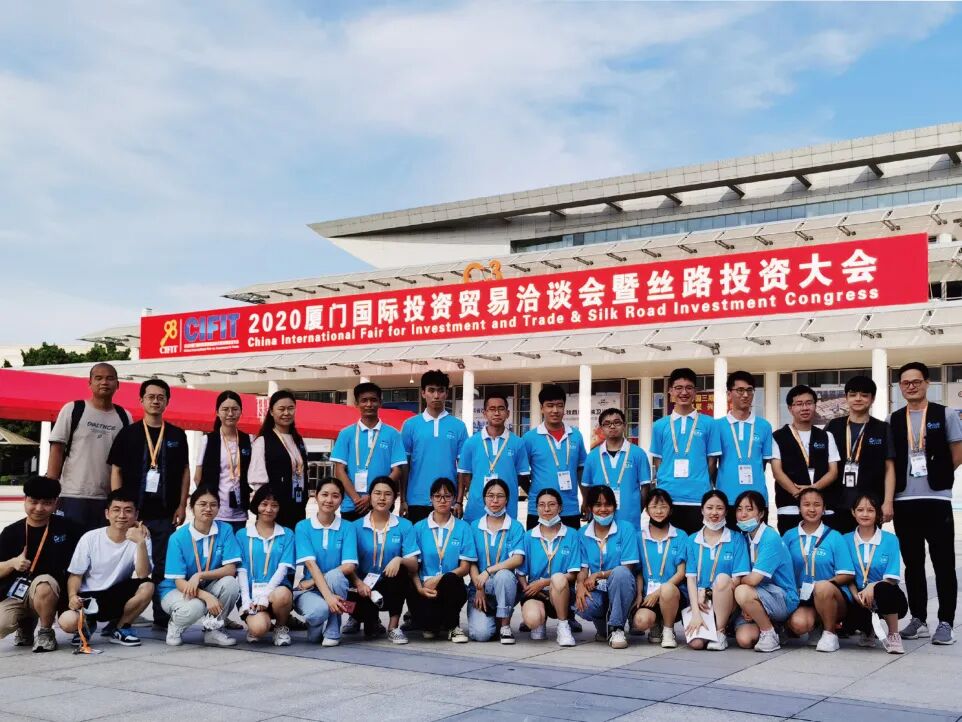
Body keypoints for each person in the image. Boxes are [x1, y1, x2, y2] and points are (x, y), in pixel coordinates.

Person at [108, 379, 190, 629]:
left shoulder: (176, 435)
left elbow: (185, 471)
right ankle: (117, 614)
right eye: (151, 396)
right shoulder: (128, 433)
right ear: (141, 400)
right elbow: (116, 469)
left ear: (167, 401)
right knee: (124, 565)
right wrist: (119, 507)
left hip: (165, 514)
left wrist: (182, 505)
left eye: (161, 397)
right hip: (133, 515)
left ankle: (162, 617)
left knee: (163, 566)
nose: (156, 401)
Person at [890, 362, 961, 645]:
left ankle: (946, 622)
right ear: (900, 387)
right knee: (913, 564)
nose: (911, 386)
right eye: (906, 383)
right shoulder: (894, 419)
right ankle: (918, 618)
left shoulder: (945, 414)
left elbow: (957, 451)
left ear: (927, 383)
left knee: (943, 563)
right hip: (904, 500)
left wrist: (940, 474)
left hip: (936, 498)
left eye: (916, 381)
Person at [58, 489, 153, 647]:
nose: (122, 515)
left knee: (148, 586)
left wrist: (141, 543)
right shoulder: (90, 538)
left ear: (136, 515)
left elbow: (143, 574)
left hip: (115, 593)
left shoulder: (140, 538)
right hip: (88, 597)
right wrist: (72, 595)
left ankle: (121, 628)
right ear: (107, 513)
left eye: (128, 510)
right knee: (67, 622)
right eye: (116, 510)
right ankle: (87, 625)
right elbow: (76, 574)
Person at [47, 363, 130, 532]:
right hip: (73, 495)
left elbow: (126, 459)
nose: (104, 382)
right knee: (70, 543)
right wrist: (50, 490)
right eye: (98, 378)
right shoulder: (73, 409)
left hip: (108, 499)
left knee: (102, 546)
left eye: (110, 378)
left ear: (118, 384)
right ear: (89, 383)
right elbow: (57, 449)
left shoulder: (124, 416)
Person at [0, 476, 78, 652]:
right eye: (33, 502)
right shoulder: (11, 532)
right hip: (18, 593)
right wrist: (12, 563)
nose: (39, 508)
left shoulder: (69, 528)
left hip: (53, 592)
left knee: (44, 583)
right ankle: (25, 625)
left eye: (47, 503)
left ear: (56, 503)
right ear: (25, 500)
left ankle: (45, 632)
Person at [159, 485, 242, 647]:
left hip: (206, 584)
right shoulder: (178, 537)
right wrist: (206, 596)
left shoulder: (225, 530)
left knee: (231, 584)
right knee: (196, 606)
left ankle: (213, 630)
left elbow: (230, 569)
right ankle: (175, 627)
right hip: (176, 590)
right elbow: (179, 582)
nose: (208, 509)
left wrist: (200, 575)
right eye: (202, 504)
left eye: (213, 505)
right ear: (192, 507)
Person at [347, 476, 419, 644]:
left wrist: (399, 559)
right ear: (369, 496)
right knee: (369, 632)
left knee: (402, 571)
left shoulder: (404, 525)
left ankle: (393, 627)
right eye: (377, 493)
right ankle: (363, 619)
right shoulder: (354, 527)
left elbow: (414, 565)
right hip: (362, 586)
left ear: (394, 498)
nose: (382, 498)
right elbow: (348, 564)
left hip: (389, 584)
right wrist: (359, 583)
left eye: (387, 494)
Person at [782, 488, 855, 652]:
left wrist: (823, 586)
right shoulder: (789, 536)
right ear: (799, 508)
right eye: (806, 504)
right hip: (802, 597)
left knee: (822, 588)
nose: (812, 509)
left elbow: (847, 573)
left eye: (817, 504)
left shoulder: (835, 536)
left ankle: (830, 633)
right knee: (799, 624)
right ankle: (815, 627)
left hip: (831, 596)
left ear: (824, 509)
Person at [650, 368, 721, 534]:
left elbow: (712, 462)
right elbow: (658, 461)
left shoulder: (709, 423)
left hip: (698, 497)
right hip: (668, 498)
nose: (684, 392)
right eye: (678, 388)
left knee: (696, 545)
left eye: (689, 388)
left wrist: (700, 481)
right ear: (670, 391)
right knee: (670, 546)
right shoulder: (659, 425)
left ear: (695, 391)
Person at [824, 376, 895, 534]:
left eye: (864, 395)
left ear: (872, 399)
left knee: (867, 547)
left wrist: (888, 502)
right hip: (835, 502)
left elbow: (889, 468)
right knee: (837, 546)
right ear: (846, 397)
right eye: (853, 394)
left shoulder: (882, 428)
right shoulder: (833, 426)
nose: (858, 399)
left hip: (869, 505)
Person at [409, 477, 477, 643]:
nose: (442, 500)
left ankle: (453, 627)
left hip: (450, 586)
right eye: (437, 496)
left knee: (452, 580)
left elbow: (465, 567)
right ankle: (432, 624)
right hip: (424, 588)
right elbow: (413, 567)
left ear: (454, 499)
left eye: (447, 496)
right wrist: (420, 588)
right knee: (429, 630)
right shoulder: (418, 528)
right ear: (430, 499)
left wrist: (439, 578)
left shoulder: (463, 527)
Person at [732, 490, 799, 652]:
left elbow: (753, 580)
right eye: (739, 509)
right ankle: (775, 627)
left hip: (782, 597)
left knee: (741, 591)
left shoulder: (770, 537)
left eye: (749, 509)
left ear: (761, 513)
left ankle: (769, 634)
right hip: (758, 595)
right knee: (745, 639)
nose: (743, 514)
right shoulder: (744, 537)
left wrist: (739, 584)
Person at [294, 478, 358, 646]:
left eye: (335, 496)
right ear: (316, 496)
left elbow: (349, 566)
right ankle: (316, 624)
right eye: (325, 495)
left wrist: (315, 582)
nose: (329, 500)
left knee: (336, 576)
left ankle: (333, 630)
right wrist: (327, 597)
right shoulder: (302, 527)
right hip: (308, 592)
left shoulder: (348, 527)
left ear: (341, 500)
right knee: (318, 613)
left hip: (334, 586)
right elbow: (310, 564)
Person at [575, 486, 639, 649]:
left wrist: (598, 574)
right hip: (598, 589)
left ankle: (617, 627)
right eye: (598, 505)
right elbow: (583, 568)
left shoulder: (626, 528)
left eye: (608, 504)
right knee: (583, 604)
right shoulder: (582, 533)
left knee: (620, 573)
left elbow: (628, 567)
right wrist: (580, 585)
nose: (603, 509)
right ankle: (604, 627)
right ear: (590, 508)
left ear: (614, 507)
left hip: (622, 586)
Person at [332, 382, 407, 523]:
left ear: (380, 403)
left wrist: (373, 496)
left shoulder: (393, 434)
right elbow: (339, 470)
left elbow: (397, 470)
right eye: (364, 400)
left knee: (382, 538)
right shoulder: (346, 434)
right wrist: (356, 498)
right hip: (352, 505)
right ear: (356, 403)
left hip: (382, 503)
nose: (369, 404)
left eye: (373, 400)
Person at [771, 385, 840, 534]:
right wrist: (800, 494)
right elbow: (777, 472)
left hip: (822, 508)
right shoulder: (777, 436)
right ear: (790, 408)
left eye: (809, 403)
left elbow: (833, 471)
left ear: (815, 406)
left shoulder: (826, 436)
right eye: (799, 404)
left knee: (823, 547)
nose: (805, 408)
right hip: (789, 507)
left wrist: (813, 489)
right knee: (792, 547)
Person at [684, 490, 748, 651]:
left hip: (727, 599)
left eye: (719, 508)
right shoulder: (692, 540)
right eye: (709, 507)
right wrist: (696, 613)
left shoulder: (737, 539)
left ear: (726, 511)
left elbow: (737, 579)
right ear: (702, 510)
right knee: (696, 644)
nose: (714, 512)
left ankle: (720, 632)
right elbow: (691, 579)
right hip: (701, 602)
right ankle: (709, 624)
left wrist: (708, 592)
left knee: (722, 578)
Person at [518, 488, 582, 647]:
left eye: (552, 504)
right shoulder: (529, 536)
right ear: (536, 508)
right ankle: (540, 621)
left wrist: (544, 583)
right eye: (542, 505)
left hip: (561, 591)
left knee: (558, 578)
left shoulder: (572, 534)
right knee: (533, 621)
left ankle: (563, 626)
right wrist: (528, 589)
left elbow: (573, 574)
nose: (546, 509)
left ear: (560, 508)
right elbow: (521, 572)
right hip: (535, 592)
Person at [401, 371, 467, 523]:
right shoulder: (410, 425)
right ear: (423, 393)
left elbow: (463, 469)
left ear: (446, 393)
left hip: (448, 500)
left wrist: (459, 501)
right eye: (431, 390)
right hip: (416, 500)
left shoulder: (459, 426)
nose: (436, 395)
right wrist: (403, 499)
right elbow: (404, 466)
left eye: (440, 390)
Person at [845, 493, 908, 654]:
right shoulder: (845, 540)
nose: (865, 514)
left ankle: (893, 634)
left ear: (877, 513)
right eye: (860, 510)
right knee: (845, 602)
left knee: (885, 590)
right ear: (853, 512)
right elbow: (845, 574)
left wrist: (872, 586)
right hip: (857, 594)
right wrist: (856, 595)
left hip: (884, 592)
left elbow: (892, 578)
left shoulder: (890, 540)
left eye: (870, 510)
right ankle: (868, 631)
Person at [467, 479, 526, 643]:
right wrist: (479, 587)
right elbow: (471, 562)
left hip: (505, 585)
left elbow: (517, 559)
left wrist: (488, 571)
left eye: (500, 496)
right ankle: (494, 619)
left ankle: (505, 625)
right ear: (484, 498)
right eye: (490, 496)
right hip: (479, 588)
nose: (495, 500)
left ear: (507, 499)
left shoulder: (515, 526)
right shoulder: (474, 526)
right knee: (481, 635)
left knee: (504, 575)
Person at [522, 384, 588, 530]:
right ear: (542, 408)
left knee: (571, 543)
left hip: (570, 508)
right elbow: (521, 473)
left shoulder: (576, 435)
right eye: (550, 405)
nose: (555, 410)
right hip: (539, 509)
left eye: (559, 405)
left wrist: (586, 498)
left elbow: (581, 470)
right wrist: (534, 491)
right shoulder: (529, 438)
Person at [236, 485, 295, 647]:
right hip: (251, 595)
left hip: (275, 594)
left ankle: (280, 627)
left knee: (283, 594)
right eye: (264, 504)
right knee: (259, 630)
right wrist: (246, 599)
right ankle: (260, 623)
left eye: (274, 505)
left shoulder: (287, 534)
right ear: (256, 505)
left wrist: (265, 596)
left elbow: (283, 569)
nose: (269, 509)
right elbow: (241, 569)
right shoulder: (242, 535)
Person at [457, 393, 530, 523]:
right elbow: (464, 475)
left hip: (507, 509)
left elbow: (521, 476)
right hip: (477, 508)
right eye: (492, 409)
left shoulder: (518, 443)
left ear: (507, 413)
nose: (496, 413)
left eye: (501, 409)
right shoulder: (471, 442)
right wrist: (475, 491)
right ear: (484, 413)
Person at [716, 372, 773, 528]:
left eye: (749, 390)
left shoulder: (764, 426)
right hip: (727, 499)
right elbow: (713, 463)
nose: (745, 395)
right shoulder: (717, 426)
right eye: (740, 390)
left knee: (757, 542)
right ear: (729, 394)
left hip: (757, 499)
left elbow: (763, 462)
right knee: (729, 541)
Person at [632, 489, 688, 649]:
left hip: (673, 594)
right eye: (654, 506)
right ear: (646, 509)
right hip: (647, 594)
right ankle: (656, 622)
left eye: (663, 507)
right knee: (640, 622)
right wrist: (639, 594)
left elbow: (681, 572)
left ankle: (668, 630)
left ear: (670, 509)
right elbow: (638, 571)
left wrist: (658, 593)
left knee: (667, 590)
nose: (659, 511)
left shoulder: (680, 535)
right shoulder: (638, 536)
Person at [249, 390, 309, 531]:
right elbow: (258, 480)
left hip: (298, 506)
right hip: (274, 510)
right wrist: (268, 506)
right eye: (281, 409)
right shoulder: (263, 441)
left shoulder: (298, 440)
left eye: (290, 408)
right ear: (271, 412)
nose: (286, 413)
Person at [581, 408, 651, 528]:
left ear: (624, 425)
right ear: (601, 428)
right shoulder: (592, 456)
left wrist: (636, 509)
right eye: (607, 424)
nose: (612, 426)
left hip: (630, 519)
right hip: (600, 518)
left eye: (617, 422)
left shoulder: (638, 453)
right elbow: (586, 486)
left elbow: (645, 487)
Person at [195, 391, 252, 533]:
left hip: (240, 510)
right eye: (225, 409)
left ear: (241, 412)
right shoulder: (208, 440)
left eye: (235, 409)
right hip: (215, 510)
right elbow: (198, 477)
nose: (230, 414)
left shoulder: (248, 440)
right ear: (217, 412)